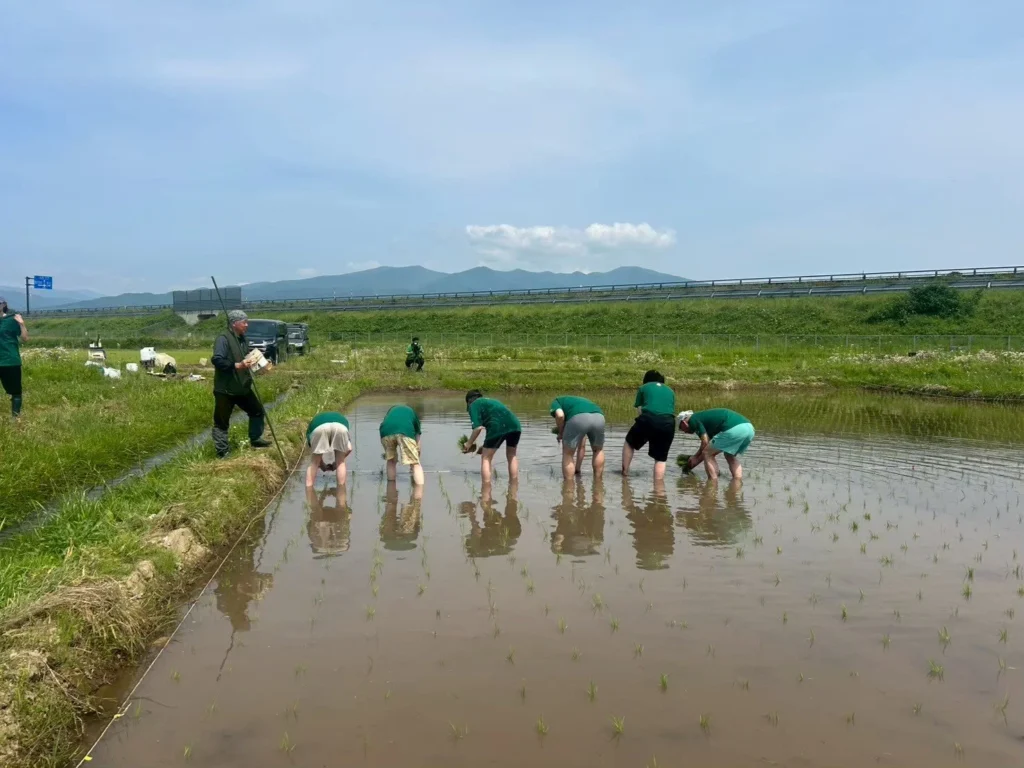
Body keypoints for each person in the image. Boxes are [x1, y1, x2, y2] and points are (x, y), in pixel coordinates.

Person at [210, 310, 271, 458]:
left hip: (242, 387)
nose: (246, 325)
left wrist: (258, 363)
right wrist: (237, 365)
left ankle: (255, 439)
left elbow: (245, 358)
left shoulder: (243, 338)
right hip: (225, 389)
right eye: (244, 322)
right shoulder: (223, 339)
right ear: (234, 323)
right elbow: (217, 360)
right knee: (222, 422)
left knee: (257, 411)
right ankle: (222, 451)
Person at [622, 370, 676, 479]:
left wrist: (645, 425)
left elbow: (640, 410)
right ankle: (659, 490)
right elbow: (669, 410)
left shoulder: (644, 387)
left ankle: (625, 473)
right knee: (661, 458)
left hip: (648, 418)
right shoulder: (670, 391)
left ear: (646, 380)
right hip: (668, 422)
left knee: (629, 442)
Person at [678, 408, 755, 480]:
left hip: (734, 429)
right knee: (729, 455)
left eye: (681, 428)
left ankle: (712, 484)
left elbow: (705, 443)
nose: (684, 431)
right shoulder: (704, 421)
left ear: (683, 422)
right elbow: (707, 447)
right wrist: (691, 464)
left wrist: (695, 456)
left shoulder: (693, 419)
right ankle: (736, 483)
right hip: (749, 428)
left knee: (707, 454)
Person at [463, 390, 521, 483]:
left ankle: (486, 490)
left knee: (486, 458)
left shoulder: (473, 405)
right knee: (512, 455)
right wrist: (485, 446)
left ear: (469, 401)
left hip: (498, 426)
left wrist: (468, 443)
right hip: (515, 425)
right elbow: (494, 423)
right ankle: (513, 485)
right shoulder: (492, 401)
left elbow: (477, 428)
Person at [550, 395, 606, 479]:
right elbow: (582, 444)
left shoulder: (556, 401)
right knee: (598, 450)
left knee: (568, 453)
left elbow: (560, 415)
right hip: (599, 416)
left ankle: (568, 487)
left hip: (578, 419)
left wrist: (561, 432)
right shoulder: (579, 402)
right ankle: (598, 484)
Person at [380, 403, 424, 485]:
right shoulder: (413, 414)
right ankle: (419, 494)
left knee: (391, 461)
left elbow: (385, 423)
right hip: (405, 432)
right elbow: (418, 442)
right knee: (416, 464)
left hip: (385, 432)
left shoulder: (390, 412)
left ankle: (391, 492)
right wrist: (415, 459)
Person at [305, 411, 352, 487]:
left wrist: (321, 465)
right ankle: (341, 492)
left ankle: (309, 491)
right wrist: (336, 463)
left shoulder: (313, 424)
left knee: (314, 462)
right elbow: (349, 448)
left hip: (318, 427)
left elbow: (315, 450)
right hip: (340, 427)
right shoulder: (342, 420)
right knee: (340, 462)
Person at [0, 297, 28, 418]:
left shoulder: (12, 319)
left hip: (10, 360)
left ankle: (15, 418)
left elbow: (25, 338)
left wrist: (21, 324)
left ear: (3, 305)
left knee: (15, 391)